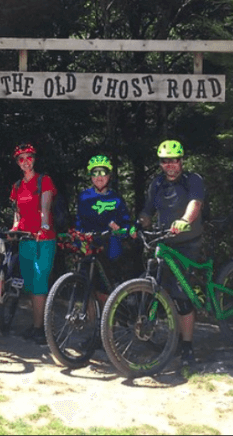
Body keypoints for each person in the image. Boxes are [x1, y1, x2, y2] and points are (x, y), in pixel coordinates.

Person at [138, 139, 205, 365]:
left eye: (174, 160)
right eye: (165, 161)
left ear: (181, 161)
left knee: (180, 293)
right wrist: (142, 221)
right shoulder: (156, 183)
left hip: (188, 241)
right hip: (165, 241)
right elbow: (148, 209)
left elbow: (195, 203)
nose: (170, 165)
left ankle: (187, 347)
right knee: (157, 283)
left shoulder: (192, 180)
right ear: (160, 164)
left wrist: (184, 220)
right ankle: (171, 340)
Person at [9, 143, 56, 344]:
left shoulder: (43, 180)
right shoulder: (17, 187)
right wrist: (14, 229)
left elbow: (45, 205)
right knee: (29, 282)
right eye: (21, 159)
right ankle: (36, 325)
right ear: (18, 163)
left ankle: (42, 329)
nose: (25, 162)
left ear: (34, 159)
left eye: (29, 157)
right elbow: (17, 214)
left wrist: (44, 225)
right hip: (25, 238)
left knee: (39, 281)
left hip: (43, 238)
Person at [75, 155, 132, 303]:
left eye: (103, 172)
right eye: (95, 173)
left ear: (109, 175)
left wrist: (120, 228)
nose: (99, 177)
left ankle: (109, 320)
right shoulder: (84, 197)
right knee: (87, 288)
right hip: (89, 245)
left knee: (105, 289)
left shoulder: (117, 199)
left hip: (110, 248)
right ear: (90, 176)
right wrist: (77, 242)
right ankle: (91, 324)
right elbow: (79, 222)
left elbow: (126, 223)